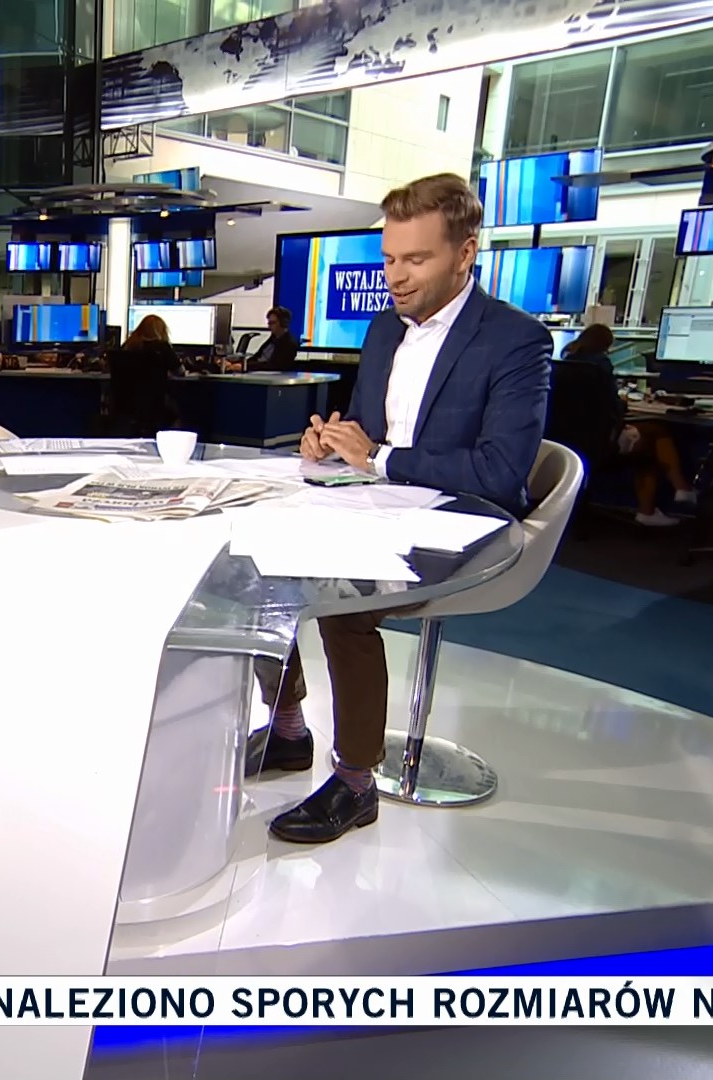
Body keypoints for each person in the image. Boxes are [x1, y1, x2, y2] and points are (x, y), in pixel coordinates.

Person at [256, 172, 551, 845]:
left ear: (465, 254)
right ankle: (289, 728)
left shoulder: (516, 341)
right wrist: (332, 443)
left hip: (463, 523)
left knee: (343, 598)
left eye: (416, 259)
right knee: (259, 560)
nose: (395, 275)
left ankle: (356, 782)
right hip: (378, 504)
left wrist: (380, 458)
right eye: (389, 258)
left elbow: (500, 475)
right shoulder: (385, 328)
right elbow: (368, 430)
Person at [560, 323, 695, 526]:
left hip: (567, 442)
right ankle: (672, 495)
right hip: (600, 444)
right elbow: (612, 408)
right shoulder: (599, 365)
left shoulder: (566, 363)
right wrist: (622, 402)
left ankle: (675, 493)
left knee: (649, 437)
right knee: (655, 435)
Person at [104, 314, 183, 436]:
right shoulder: (163, 348)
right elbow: (180, 372)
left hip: (125, 407)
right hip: (155, 407)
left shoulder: (127, 346)